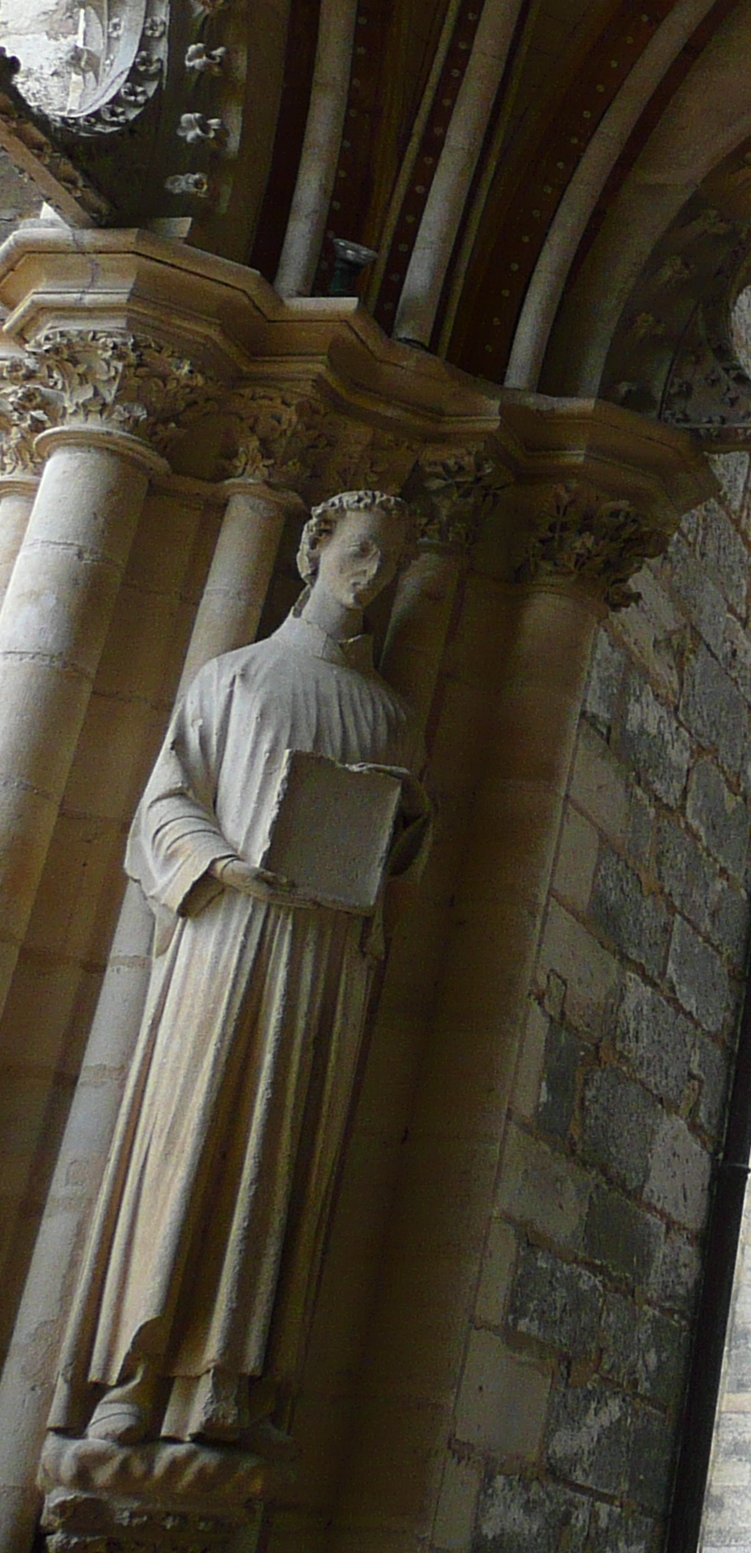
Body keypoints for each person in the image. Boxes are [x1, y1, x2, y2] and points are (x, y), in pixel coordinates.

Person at [52, 490, 425, 1454]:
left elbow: (402, 845)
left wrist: (394, 834)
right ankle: (134, 1375)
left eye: (393, 560)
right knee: (192, 1135)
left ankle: (231, 1379)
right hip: (226, 940)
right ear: (313, 549)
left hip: (324, 957)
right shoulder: (238, 677)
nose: (374, 574)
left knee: (281, 1159)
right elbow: (167, 801)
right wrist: (222, 863)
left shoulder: (392, 715)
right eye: (362, 550)